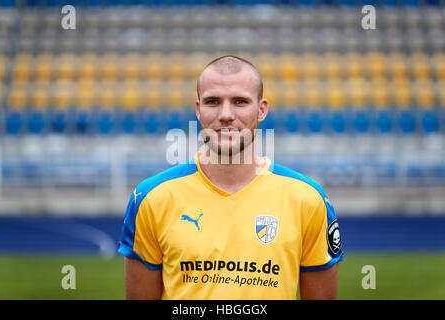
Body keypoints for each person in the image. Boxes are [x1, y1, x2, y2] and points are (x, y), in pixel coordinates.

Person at [117, 55, 344, 300]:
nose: (226, 114)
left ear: (261, 110)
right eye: (213, 101)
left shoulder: (307, 199)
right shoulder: (152, 198)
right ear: (198, 110)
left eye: (240, 101)